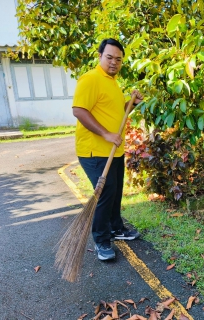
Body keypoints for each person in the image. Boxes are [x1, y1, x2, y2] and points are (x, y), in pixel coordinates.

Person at [72, 38, 144, 261]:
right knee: (104, 195)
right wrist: (105, 134)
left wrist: (131, 104)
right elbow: (79, 110)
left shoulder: (112, 82)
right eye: (109, 57)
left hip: (114, 150)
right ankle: (101, 240)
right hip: (95, 151)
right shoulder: (91, 79)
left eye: (118, 59)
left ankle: (116, 228)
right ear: (100, 56)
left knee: (114, 192)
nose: (114, 62)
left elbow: (116, 113)